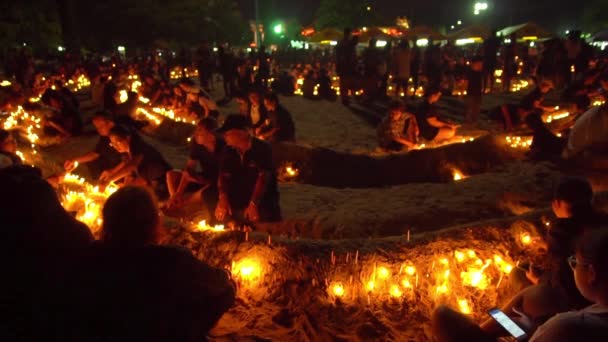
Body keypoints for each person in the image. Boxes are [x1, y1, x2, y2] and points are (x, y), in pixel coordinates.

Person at [60, 186, 235, 341]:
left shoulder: (93, 252)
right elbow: (216, 281)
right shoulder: (171, 258)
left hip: (105, 328)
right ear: (152, 222)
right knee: (227, 290)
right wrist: (226, 275)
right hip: (156, 331)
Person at [432, 229, 608, 342]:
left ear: (592, 273)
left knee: (442, 316)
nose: (573, 266)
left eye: (575, 262)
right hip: (533, 331)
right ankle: (488, 328)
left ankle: (482, 333)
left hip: (530, 335)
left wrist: (528, 332)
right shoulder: (596, 310)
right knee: (527, 288)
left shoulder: (566, 327)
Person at [215, 115, 281, 223]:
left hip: (261, 198)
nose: (225, 137)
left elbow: (263, 178)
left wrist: (253, 203)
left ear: (243, 133)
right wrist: (223, 197)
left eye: (228, 133)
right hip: (238, 196)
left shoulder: (262, 149)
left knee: (259, 219)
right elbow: (223, 176)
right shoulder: (228, 150)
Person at [165, 118, 225, 213]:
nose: (196, 133)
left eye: (200, 130)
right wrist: (178, 193)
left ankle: (184, 204)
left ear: (211, 134)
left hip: (219, 182)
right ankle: (174, 200)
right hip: (204, 177)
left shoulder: (223, 147)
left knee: (208, 189)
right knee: (171, 174)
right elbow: (189, 168)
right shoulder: (197, 144)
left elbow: (223, 177)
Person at [101, 125, 171, 197]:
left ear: (128, 138)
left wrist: (110, 179)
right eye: (113, 144)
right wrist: (112, 172)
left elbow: (131, 165)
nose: (116, 147)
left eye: (118, 142)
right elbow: (127, 167)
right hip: (150, 183)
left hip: (164, 184)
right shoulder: (126, 153)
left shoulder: (138, 146)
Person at [63, 111, 122, 180]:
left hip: (120, 166)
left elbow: (128, 160)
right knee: (93, 163)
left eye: (101, 126)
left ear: (110, 123)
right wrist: (74, 160)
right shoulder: (105, 137)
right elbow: (95, 154)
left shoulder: (120, 136)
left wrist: (113, 171)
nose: (98, 130)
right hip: (110, 163)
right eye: (96, 127)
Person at [335, 28, 357, 106]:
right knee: (348, 82)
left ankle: (345, 98)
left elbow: (337, 56)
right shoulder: (350, 44)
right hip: (348, 66)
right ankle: (347, 98)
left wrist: (337, 66)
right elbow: (353, 56)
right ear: (349, 34)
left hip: (342, 66)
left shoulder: (340, 43)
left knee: (343, 83)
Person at [465, 56, 484, 125]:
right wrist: (463, 91)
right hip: (471, 93)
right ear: (473, 65)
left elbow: (481, 82)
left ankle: (475, 119)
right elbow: (466, 82)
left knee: (477, 106)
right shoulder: (470, 73)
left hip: (478, 93)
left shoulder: (480, 73)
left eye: (481, 65)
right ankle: (468, 120)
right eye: (479, 65)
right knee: (470, 107)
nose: (480, 66)